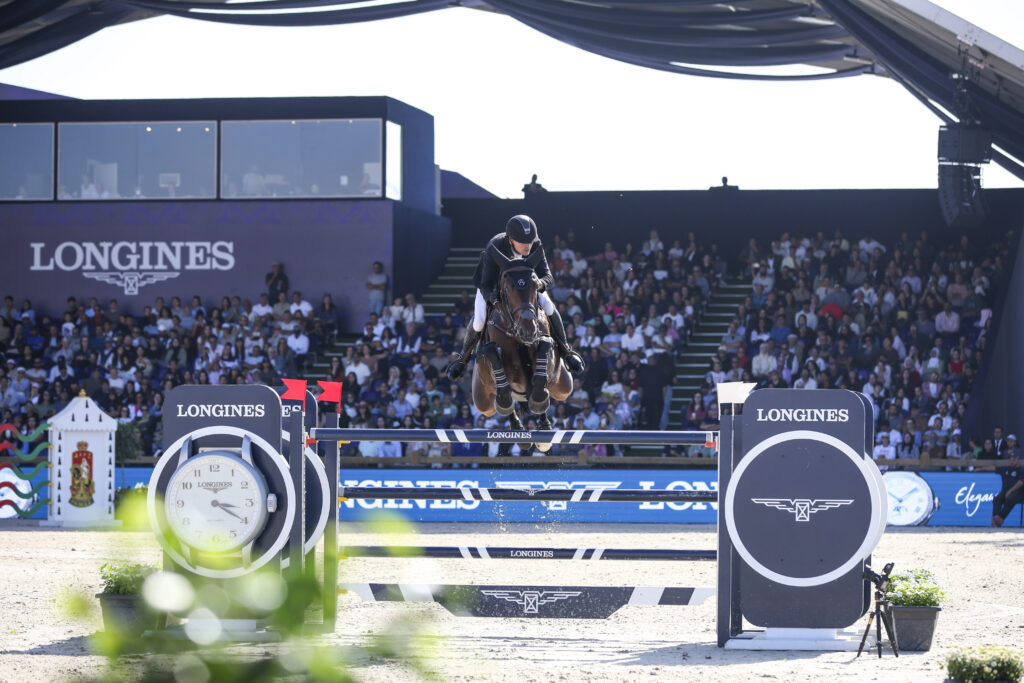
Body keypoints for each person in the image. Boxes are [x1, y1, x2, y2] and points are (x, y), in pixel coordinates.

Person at [446, 215, 584, 380]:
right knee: (479, 320)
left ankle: (566, 351)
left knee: (547, 305)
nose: (528, 246)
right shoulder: (494, 247)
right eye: (523, 242)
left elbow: (548, 276)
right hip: (493, 286)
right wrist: (494, 299)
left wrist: (539, 284)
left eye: (530, 241)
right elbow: (486, 284)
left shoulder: (535, 245)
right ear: (511, 240)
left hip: (527, 288)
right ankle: (463, 358)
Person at [992, 437, 1022, 527]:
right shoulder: (1006, 469)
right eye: (1010, 459)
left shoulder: (1021, 470)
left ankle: (1000, 518)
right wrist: (980, 468)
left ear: (1017, 460)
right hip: (1006, 491)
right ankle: (996, 518)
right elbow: (994, 468)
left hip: (1019, 492)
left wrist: (1010, 490)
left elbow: (1021, 483)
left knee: (1010, 498)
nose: (1011, 461)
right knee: (997, 498)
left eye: (1013, 459)